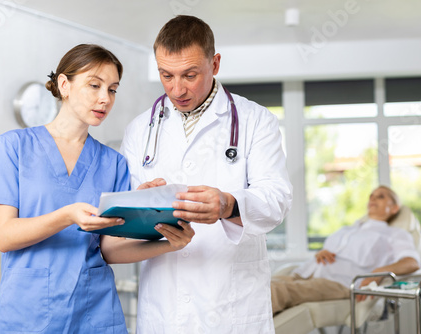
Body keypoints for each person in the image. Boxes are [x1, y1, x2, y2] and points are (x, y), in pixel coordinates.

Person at [0, 44, 194, 334]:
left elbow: (110, 250)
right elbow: (5, 236)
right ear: (64, 84)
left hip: (95, 312)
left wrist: (167, 242)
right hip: (27, 313)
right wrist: (67, 216)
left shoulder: (113, 162)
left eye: (112, 89)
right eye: (94, 85)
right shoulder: (14, 147)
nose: (105, 99)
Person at [120, 15, 292, 333]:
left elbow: (276, 201)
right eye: (166, 75)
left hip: (231, 307)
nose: (177, 88)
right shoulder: (139, 129)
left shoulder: (256, 121)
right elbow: (126, 226)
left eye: (189, 74)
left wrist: (228, 205)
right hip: (164, 308)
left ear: (214, 63)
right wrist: (139, 204)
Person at [271, 186, 421, 315]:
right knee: (258, 286)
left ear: (394, 208)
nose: (373, 199)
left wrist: (377, 273)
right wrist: (322, 252)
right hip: (303, 273)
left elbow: (411, 263)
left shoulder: (395, 234)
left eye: (380, 197)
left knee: (274, 291)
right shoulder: (349, 229)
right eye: (371, 196)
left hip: (337, 282)